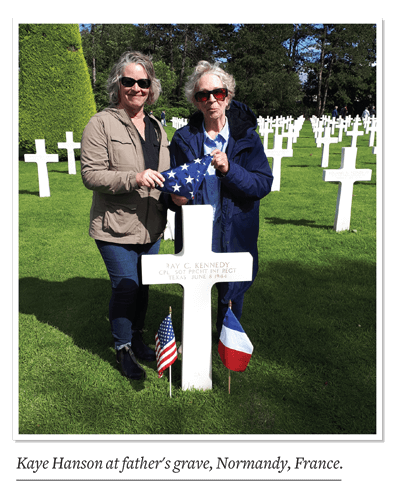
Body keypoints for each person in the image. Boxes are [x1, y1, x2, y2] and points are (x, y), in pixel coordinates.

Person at [81, 51, 169, 380]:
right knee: (126, 287)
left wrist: (175, 192)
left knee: (144, 287)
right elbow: (91, 175)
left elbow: (165, 174)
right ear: (118, 84)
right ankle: (122, 348)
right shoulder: (100, 123)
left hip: (151, 226)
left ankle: (137, 339)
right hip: (114, 227)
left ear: (151, 87)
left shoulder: (157, 127)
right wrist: (134, 178)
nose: (136, 88)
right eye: (129, 81)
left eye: (143, 82)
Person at [168, 61, 273, 337]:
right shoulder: (182, 140)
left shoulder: (248, 139)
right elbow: (174, 187)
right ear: (196, 101)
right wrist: (174, 199)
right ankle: (197, 343)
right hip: (197, 233)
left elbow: (262, 183)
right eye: (203, 95)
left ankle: (226, 345)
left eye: (218, 93)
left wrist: (231, 170)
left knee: (232, 294)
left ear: (228, 96)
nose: (212, 99)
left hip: (236, 230)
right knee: (196, 291)